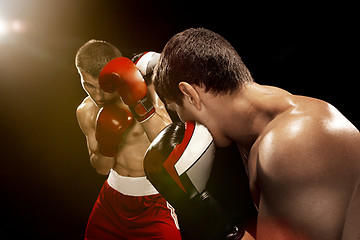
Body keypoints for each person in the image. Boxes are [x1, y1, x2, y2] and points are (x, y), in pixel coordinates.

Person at [152, 28, 360, 240]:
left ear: (190, 94)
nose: (184, 124)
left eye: (178, 112)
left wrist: (204, 217)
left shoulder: (293, 140)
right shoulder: (258, 130)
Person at [75, 39, 181, 240]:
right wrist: (107, 144)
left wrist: (139, 105)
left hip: (154, 203)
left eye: (102, 86)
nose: (98, 95)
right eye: (88, 85)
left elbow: (170, 145)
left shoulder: (144, 89)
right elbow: (101, 168)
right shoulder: (86, 111)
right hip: (111, 203)